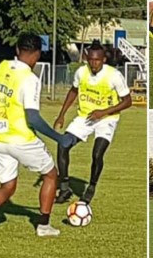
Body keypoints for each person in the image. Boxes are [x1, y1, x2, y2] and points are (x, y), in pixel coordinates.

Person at [0, 33, 74, 241]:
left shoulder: (2, 67)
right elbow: (32, 117)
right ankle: (43, 226)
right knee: (51, 175)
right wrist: (59, 138)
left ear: (17, 50)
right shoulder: (30, 79)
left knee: (8, 186)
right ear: (37, 55)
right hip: (21, 139)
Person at [54, 41, 132, 205]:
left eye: (97, 60)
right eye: (90, 60)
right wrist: (61, 115)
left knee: (97, 154)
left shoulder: (114, 76)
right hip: (86, 117)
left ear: (103, 59)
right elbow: (74, 91)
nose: (93, 63)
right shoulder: (81, 72)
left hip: (107, 118)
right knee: (63, 145)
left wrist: (103, 112)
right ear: (87, 59)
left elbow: (127, 101)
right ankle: (65, 187)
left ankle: (91, 187)